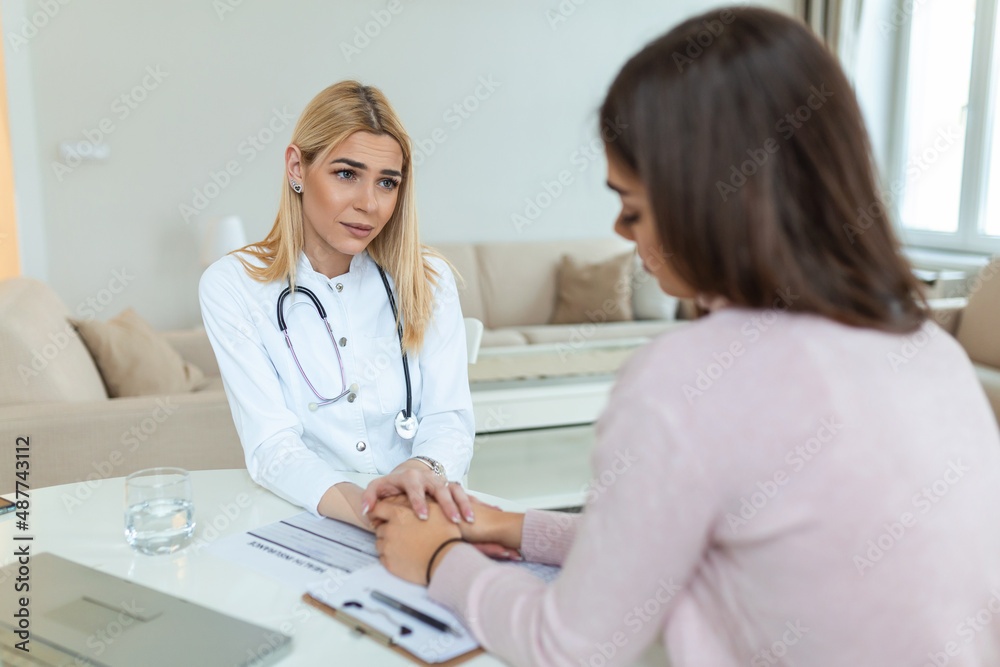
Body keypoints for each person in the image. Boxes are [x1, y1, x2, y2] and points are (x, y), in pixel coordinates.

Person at [370, 7, 1000, 665]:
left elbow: (571, 646)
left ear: (707, 200)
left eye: (632, 207)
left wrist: (439, 557)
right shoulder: (931, 353)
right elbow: (672, 539)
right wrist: (510, 526)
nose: (620, 231)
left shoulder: (689, 382)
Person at [199, 81, 480, 530]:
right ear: (297, 167)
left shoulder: (427, 278)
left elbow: (448, 418)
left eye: (387, 183)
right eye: (346, 174)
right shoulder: (232, 285)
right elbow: (271, 445)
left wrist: (421, 470)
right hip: (315, 513)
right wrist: (370, 511)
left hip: (422, 509)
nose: (369, 204)